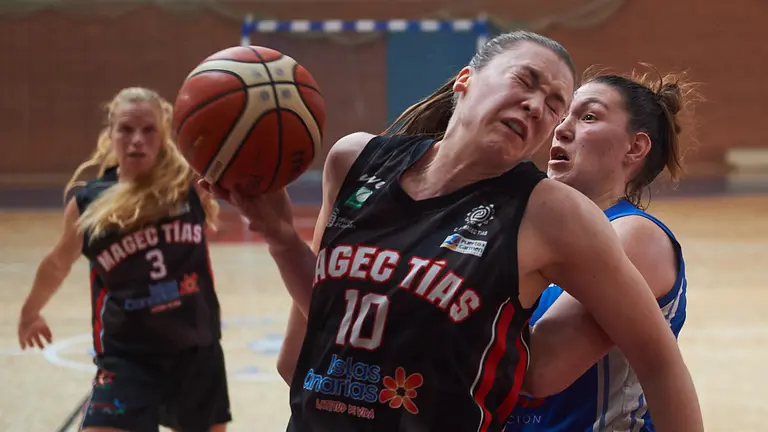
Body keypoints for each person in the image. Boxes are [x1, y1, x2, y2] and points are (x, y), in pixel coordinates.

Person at [206, 30, 703, 432]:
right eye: (525, 81)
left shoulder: (557, 215)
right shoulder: (355, 160)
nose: (540, 109)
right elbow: (314, 336)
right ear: (466, 78)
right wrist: (278, 237)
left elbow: (629, 363)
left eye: (556, 103)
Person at [17, 87, 231, 432]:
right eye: (126, 130)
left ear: (164, 137)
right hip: (128, 357)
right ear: (110, 134)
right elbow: (58, 263)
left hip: (196, 352)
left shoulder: (189, 186)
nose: (137, 140)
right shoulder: (90, 203)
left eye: (149, 131)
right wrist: (30, 313)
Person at [504, 67, 701, 432]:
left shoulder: (634, 236)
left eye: (589, 117)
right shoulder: (535, 232)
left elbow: (541, 370)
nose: (561, 129)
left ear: (636, 146)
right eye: (563, 117)